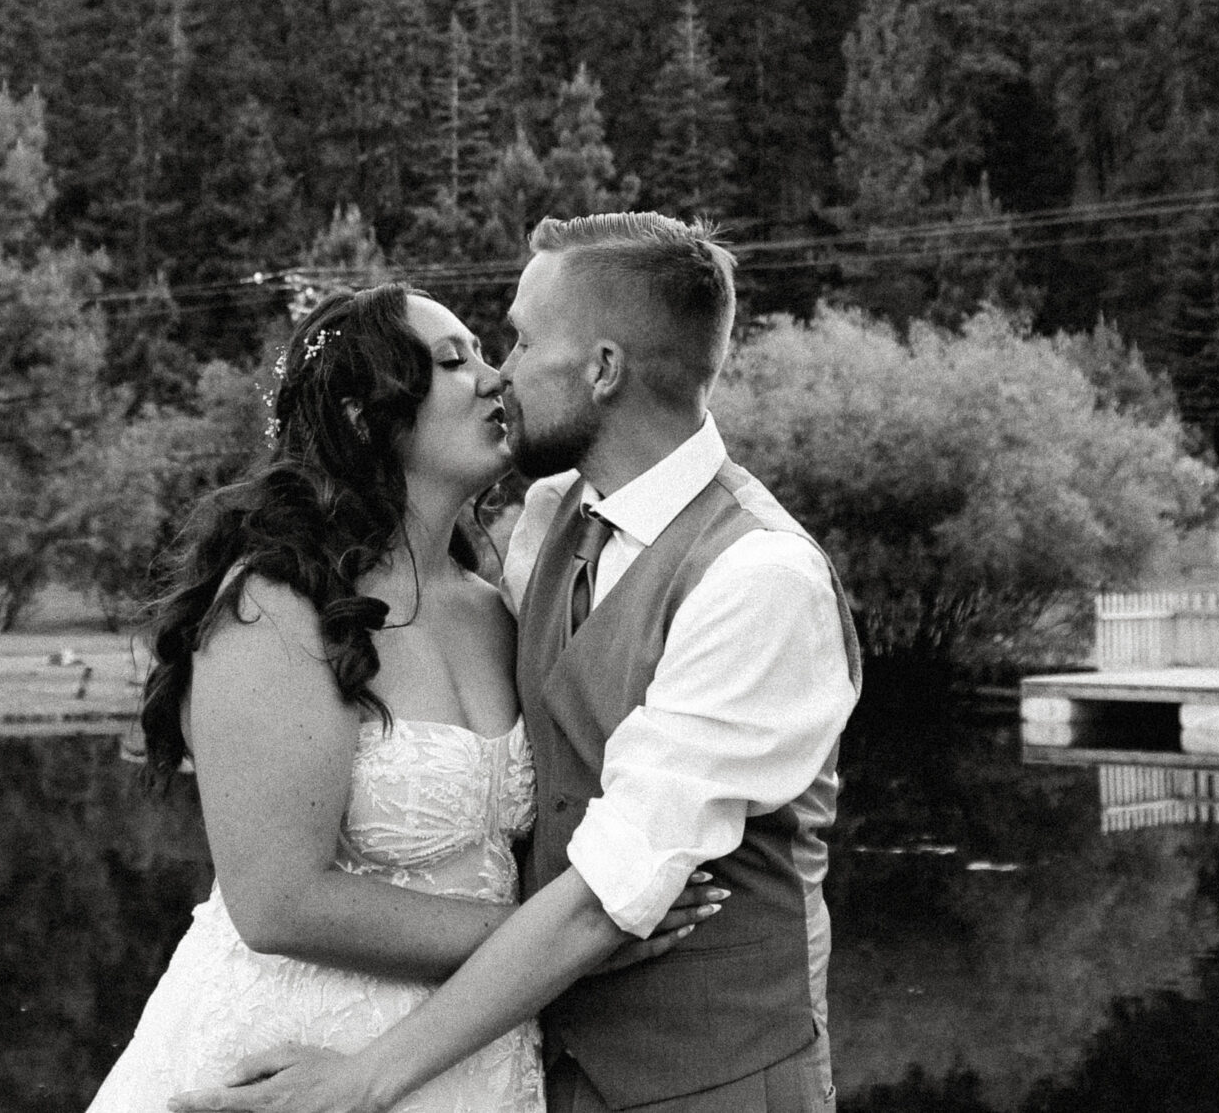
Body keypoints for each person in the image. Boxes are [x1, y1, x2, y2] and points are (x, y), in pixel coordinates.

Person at [173, 213, 862, 1113]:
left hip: (713, 1079)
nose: (501, 369)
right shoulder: (547, 521)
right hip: (516, 1064)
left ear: (604, 369)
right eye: (468, 354)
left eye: (519, 339)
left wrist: (361, 1085)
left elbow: (609, 894)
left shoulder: (759, 577)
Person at [89, 282, 712, 1113]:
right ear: (359, 416)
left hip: (473, 1053)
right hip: (299, 1055)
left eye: (487, 354)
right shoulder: (275, 604)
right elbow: (278, 900)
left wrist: (566, 937)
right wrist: (566, 942)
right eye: (454, 361)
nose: (496, 378)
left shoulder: (495, 607)